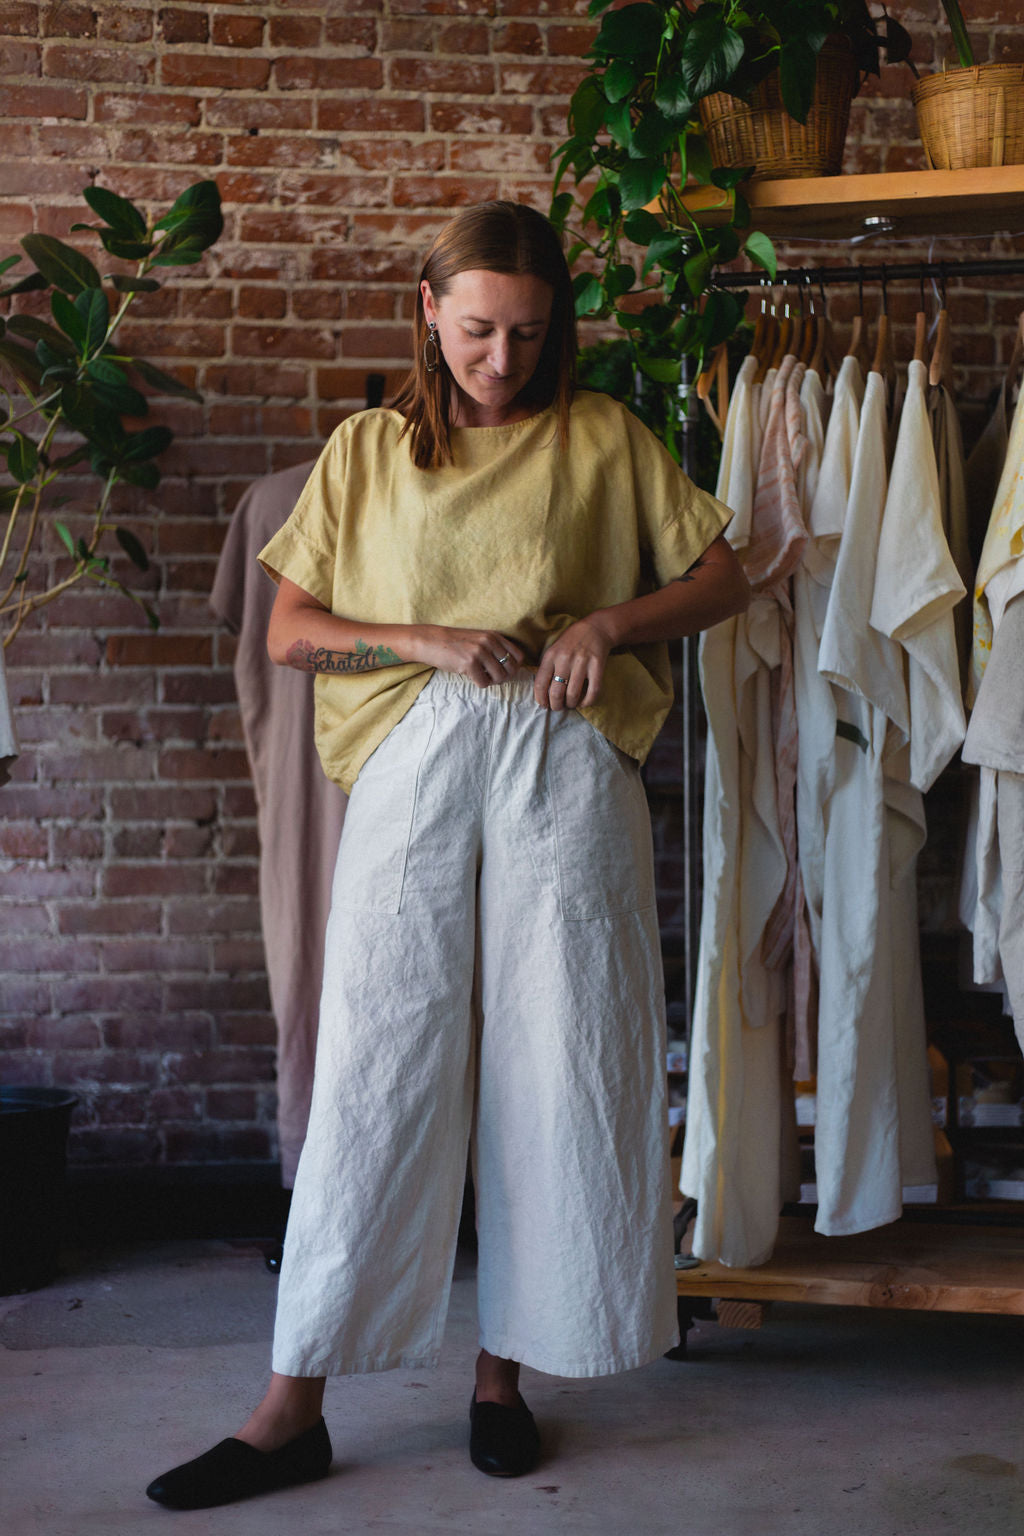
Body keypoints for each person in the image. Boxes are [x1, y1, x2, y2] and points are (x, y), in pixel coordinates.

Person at [146, 200, 749, 1511]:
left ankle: (503, 1375)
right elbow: (293, 630)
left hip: (564, 753)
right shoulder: (368, 450)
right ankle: (290, 1403)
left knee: (557, 1056)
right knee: (380, 1063)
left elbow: (726, 578)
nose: (500, 358)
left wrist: (610, 621)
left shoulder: (603, 436)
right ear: (429, 309)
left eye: (527, 333)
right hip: (418, 759)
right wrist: (418, 638)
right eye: (476, 328)